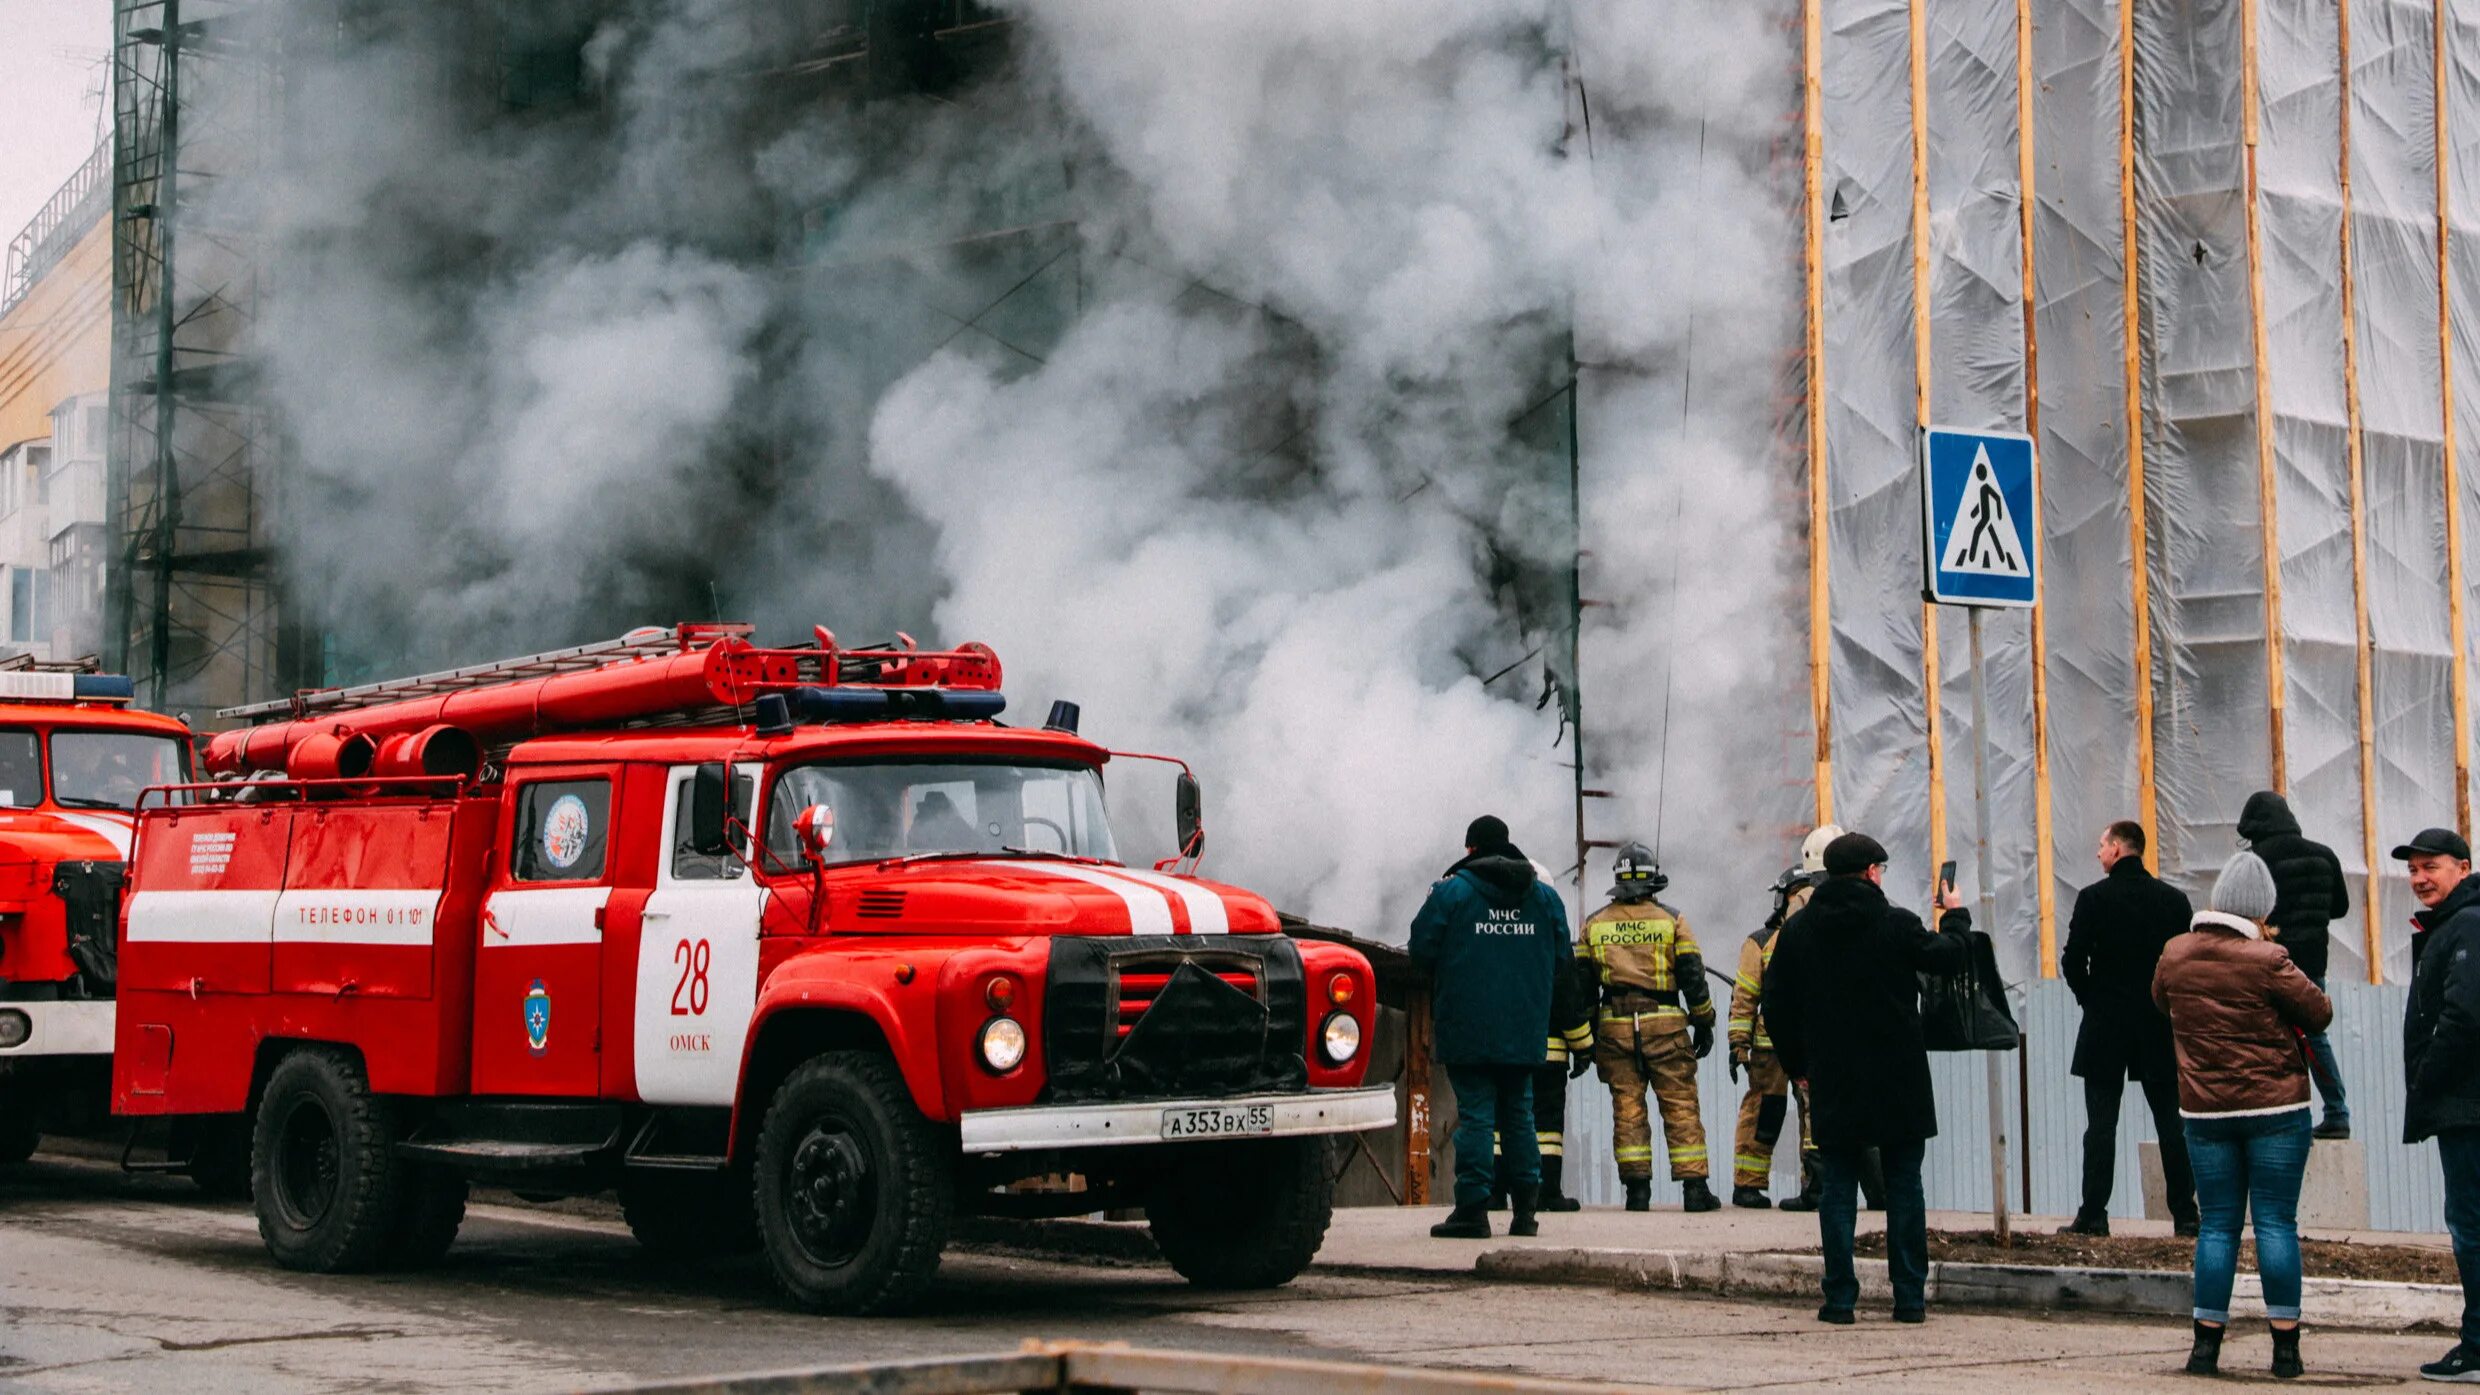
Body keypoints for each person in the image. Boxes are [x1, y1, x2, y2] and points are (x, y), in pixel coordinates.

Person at [1764, 832, 1970, 1325]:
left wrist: (1800, 1068)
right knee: (1903, 1184)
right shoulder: (1896, 923)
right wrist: (1955, 915)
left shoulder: (1798, 932)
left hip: (1834, 1078)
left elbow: (1776, 1008)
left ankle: (1839, 1300)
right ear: (1872, 873)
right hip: (1898, 1076)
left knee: (1836, 1186)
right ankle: (1909, 1300)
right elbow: (1949, 957)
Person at [2153, 850, 2330, 1380]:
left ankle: (2204, 1350)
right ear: (2262, 907)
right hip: (2277, 1109)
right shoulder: (2268, 959)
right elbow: (2319, 1012)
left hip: (2205, 1111)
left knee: (2218, 1227)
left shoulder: (2175, 953)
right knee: (2276, 1223)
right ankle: (2285, 1352)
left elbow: (2162, 1003)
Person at [1409, 815, 1571, 1241]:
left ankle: (1473, 1212)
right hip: (1524, 1028)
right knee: (1520, 1114)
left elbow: (1420, 949)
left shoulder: (1452, 892)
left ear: (1471, 850)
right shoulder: (1545, 897)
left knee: (1477, 1116)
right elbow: (1562, 961)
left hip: (1468, 1025)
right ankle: (1526, 1215)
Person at [2059, 819, 2198, 1238]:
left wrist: (2092, 1000)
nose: (2099, 852)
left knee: (2100, 1124)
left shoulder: (2093, 899)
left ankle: (2094, 1213)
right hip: (2157, 1024)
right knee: (2172, 1124)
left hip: (2106, 1027)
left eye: (2102, 845)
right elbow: (2184, 963)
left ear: (2118, 849)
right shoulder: (2174, 901)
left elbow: (2072, 961)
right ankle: (2186, 1215)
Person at [1578, 840, 1719, 1213]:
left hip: (1615, 1029)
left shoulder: (1593, 924)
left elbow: (1582, 987)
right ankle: (1694, 1191)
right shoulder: (1673, 921)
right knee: (1680, 1104)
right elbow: (1692, 976)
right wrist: (1704, 1021)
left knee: (1627, 1108)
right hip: (1667, 1027)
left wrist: (1587, 1037)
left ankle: (1637, 1193)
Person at [2393, 827, 2480, 1383]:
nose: (2420, 879)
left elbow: (2464, 1016)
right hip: (2464, 1104)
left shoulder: (2468, 925)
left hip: (2468, 1106)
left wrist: (2425, 1081)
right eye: (2413, 871)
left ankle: (2476, 1347)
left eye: (2432, 867)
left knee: (2470, 1226)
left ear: (2464, 868)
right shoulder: (2452, 925)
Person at [1726, 823, 1840, 1211]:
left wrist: (1737, 1046)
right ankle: (1809, 1187)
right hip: (1797, 1040)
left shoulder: (1762, 940)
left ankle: (1751, 1185)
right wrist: (1739, 1043)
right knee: (1808, 1111)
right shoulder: (1768, 940)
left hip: (1773, 1041)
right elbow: (1746, 997)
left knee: (1768, 1112)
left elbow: (1744, 1000)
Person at [2238, 790, 2355, 1139]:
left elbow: (2245, 909)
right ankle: (2336, 1112)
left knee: (2268, 1038)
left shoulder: (2255, 860)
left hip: (2270, 961)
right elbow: (2340, 908)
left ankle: (2281, 1114)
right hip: (2314, 962)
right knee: (2314, 1036)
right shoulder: (2324, 855)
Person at [1494, 945, 1595, 1213]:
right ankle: (1545, 1191)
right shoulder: (1549, 930)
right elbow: (1568, 997)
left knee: (1497, 1119)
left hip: (1499, 1049)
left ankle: (1493, 1191)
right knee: (1546, 1126)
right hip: (1546, 1052)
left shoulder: (1488, 928)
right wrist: (1583, 1046)